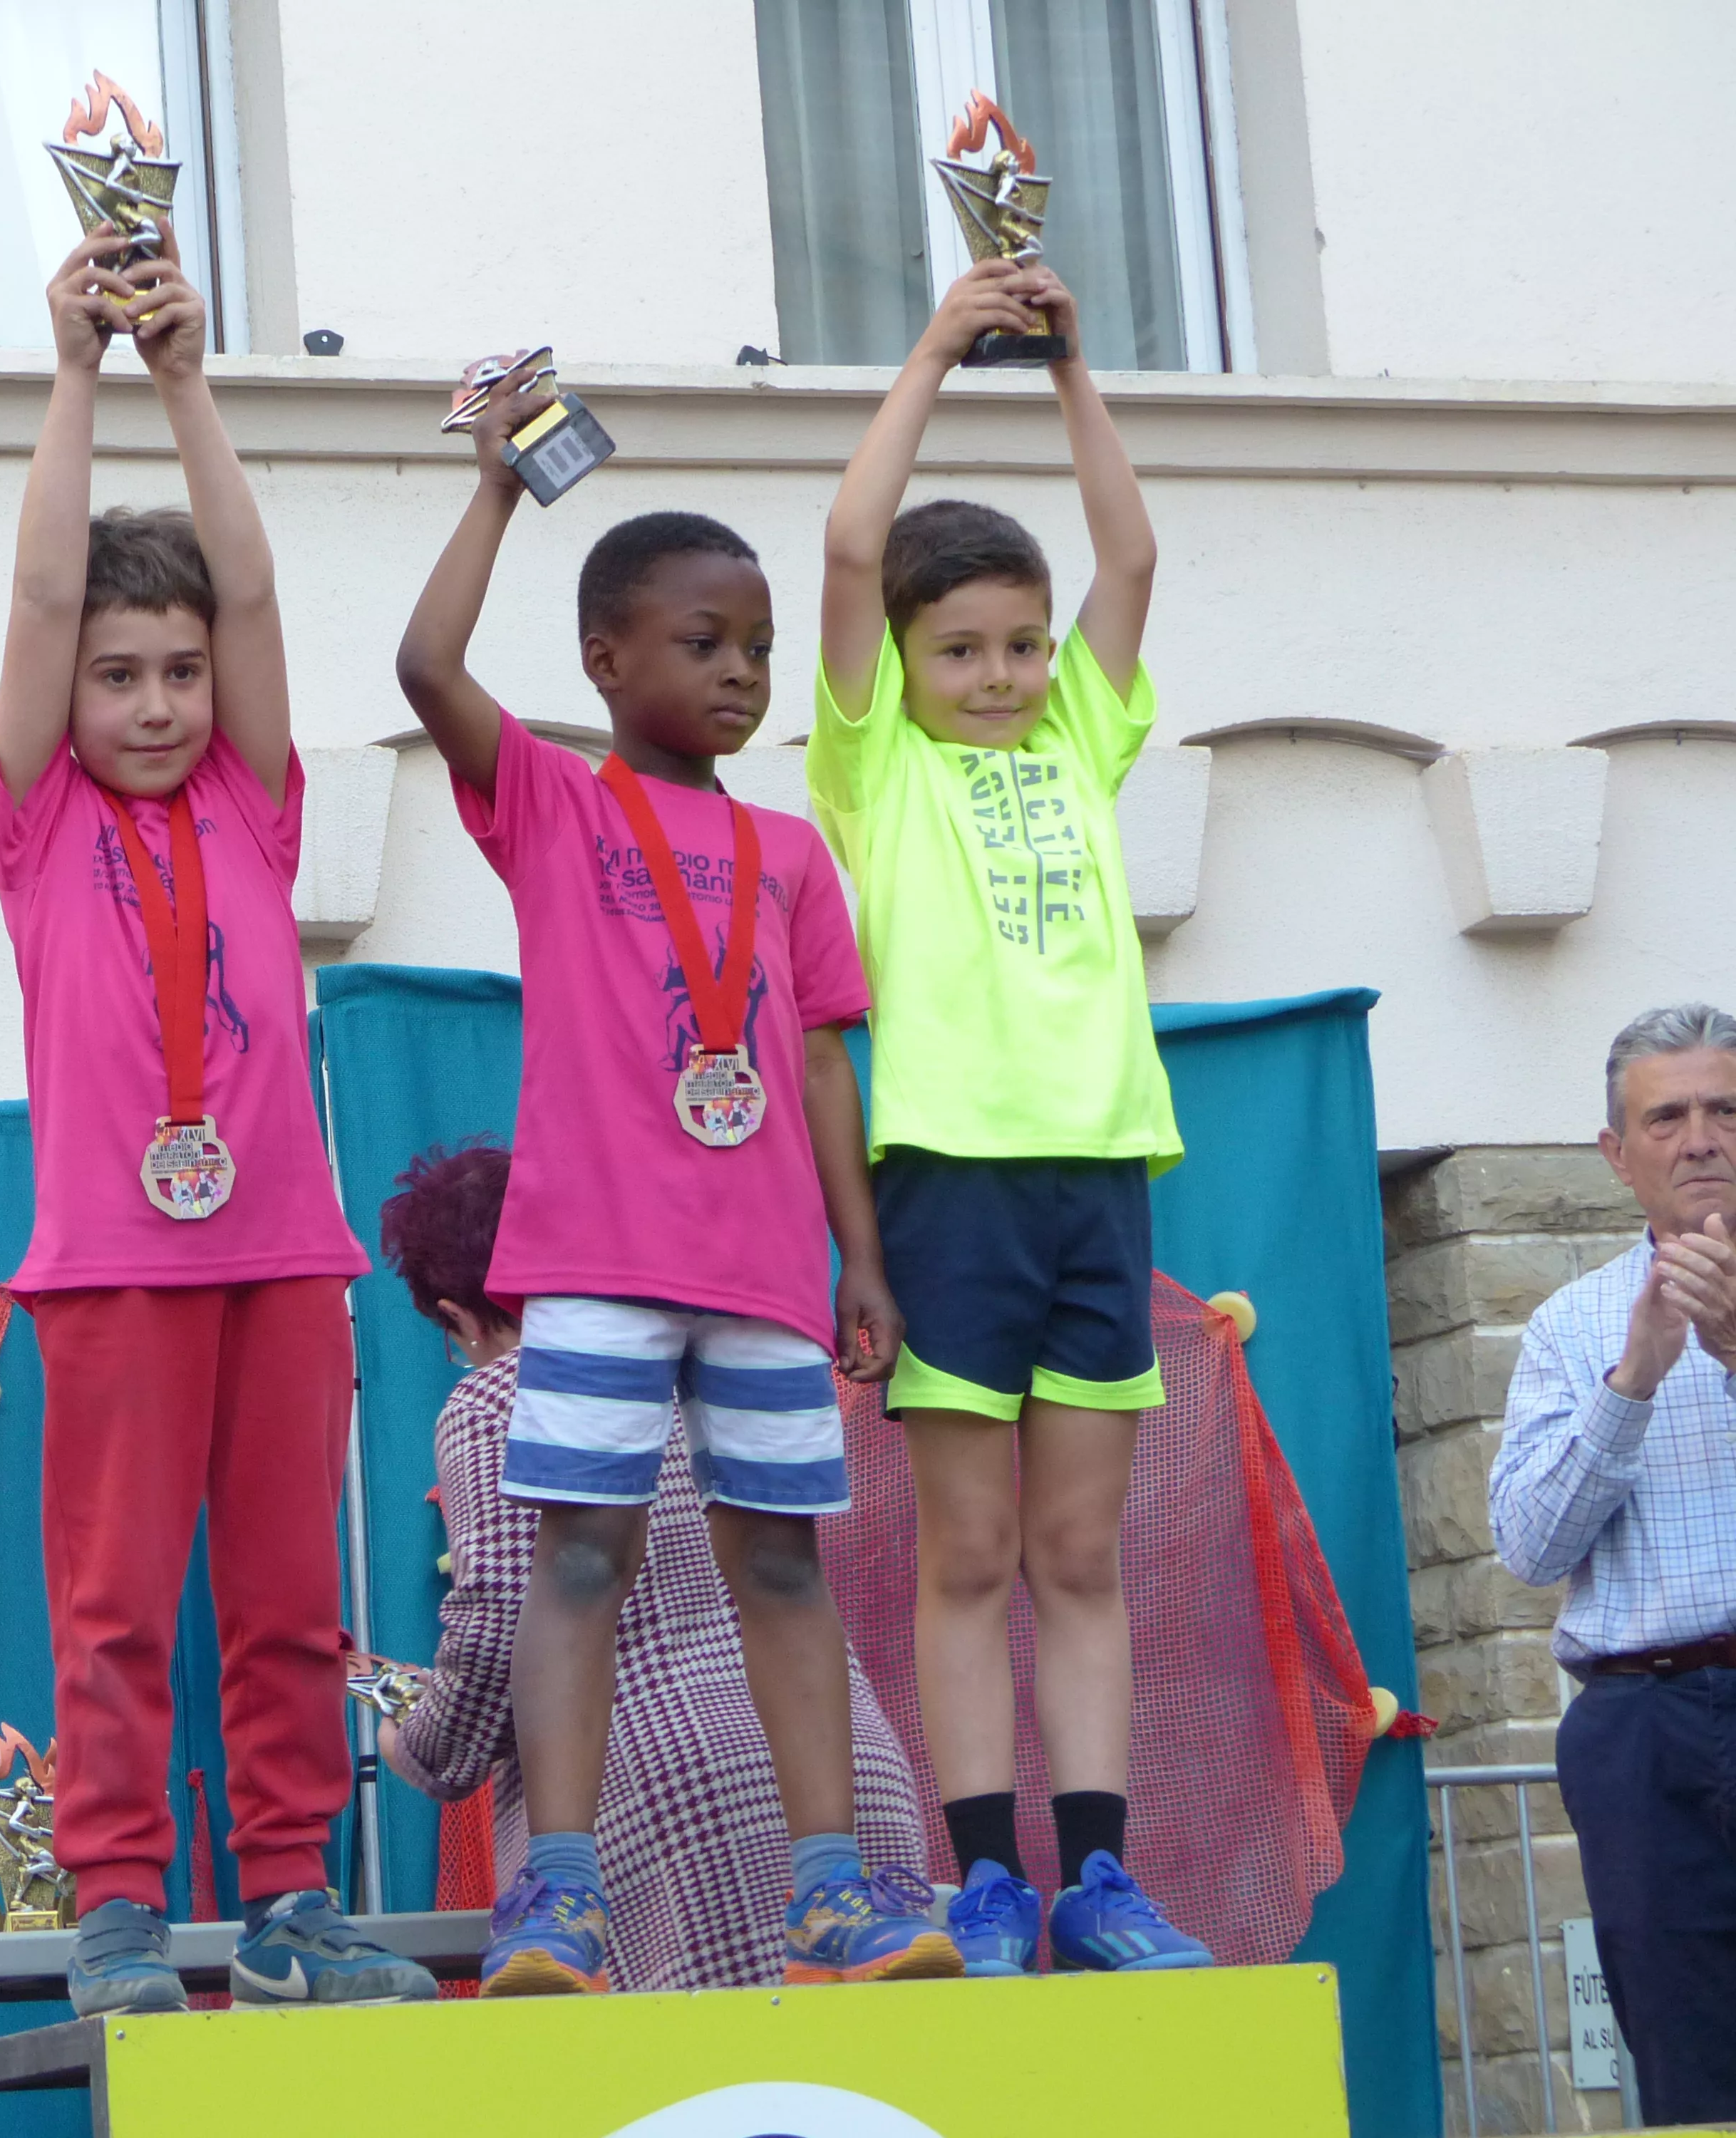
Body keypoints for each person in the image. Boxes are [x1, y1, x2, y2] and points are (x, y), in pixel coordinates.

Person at [394, 373, 947, 1996]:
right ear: (605, 661)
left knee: (781, 1559)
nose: (739, 672)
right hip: (601, 1261)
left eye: (757, 647)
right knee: (580, 1551)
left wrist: (862, 1257)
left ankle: (832, 1888)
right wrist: (498, 488)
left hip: (769, 1267)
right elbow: (427, 668)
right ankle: (552, 1894)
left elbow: (828, 1061)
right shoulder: (560, 807)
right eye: (702, 641)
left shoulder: (789, 855)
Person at [0, 219, 433, 2015]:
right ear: (66, 695)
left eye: (174, 672)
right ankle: (111, 1905)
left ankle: (292, 1896)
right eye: (119, 676)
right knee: (110, 1606)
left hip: (278, 1260)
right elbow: (35, 599)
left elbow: (249, 595)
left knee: (286, 1600)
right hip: (108, 1264)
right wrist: (79, 372)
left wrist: (185, 373)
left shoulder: (251, 805)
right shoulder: (34, 826)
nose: (159, 702)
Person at [809, 258, 1211, 1975]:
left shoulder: (1081, 737)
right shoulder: (872, 763)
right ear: (900, 664)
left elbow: (1128, 555)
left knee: (1075, 1548)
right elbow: (842, 548)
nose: (1000, 672)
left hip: (1097, 1174)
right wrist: (930, 347)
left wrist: (1064, 372)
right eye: (960, 648)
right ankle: (980, 1875)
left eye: (1021, 644)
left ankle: (1098, 1876)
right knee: (967, 1549)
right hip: (951, 1181)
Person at [375, 1140, 931, 1990]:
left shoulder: (499, 1396)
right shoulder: (712, 1347)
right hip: (852, 1783)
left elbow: (495, 1617)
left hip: (674, 1808)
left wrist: (419, 1741)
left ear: (457, 1316)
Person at [1491, 1003, 1736, 2125]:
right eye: (1669, 1116)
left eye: (1725, 1109)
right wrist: (1631, 1385)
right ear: (1617, 1154)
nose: (1701, 1139)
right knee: (1685, 2069)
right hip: (1642, 1726)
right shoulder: (1572, 1325)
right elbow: (1531, 1549)